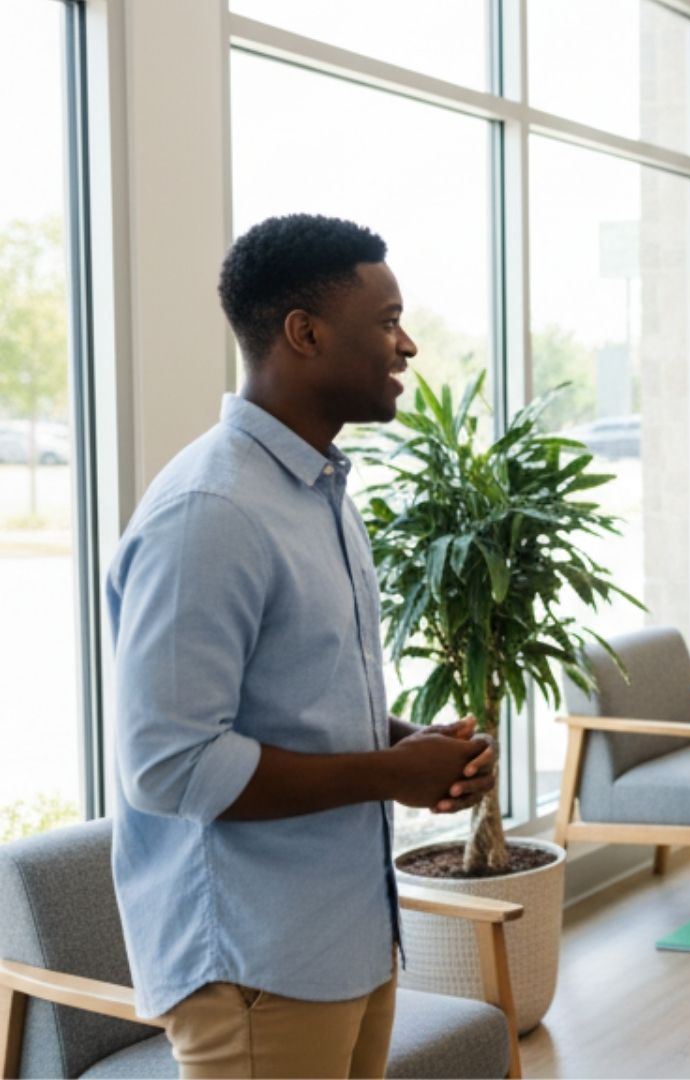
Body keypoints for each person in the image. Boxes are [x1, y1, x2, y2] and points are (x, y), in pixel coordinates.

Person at [109, 213, 494, 1079]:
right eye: (387, 321)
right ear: (305, 334)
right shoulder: (211, 512)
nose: (409, 346)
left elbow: (299, 696)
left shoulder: (317, 488)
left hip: (344, 936)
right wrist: (388, 776)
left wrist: (411, 748)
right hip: (256, 962)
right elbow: (171, 764)